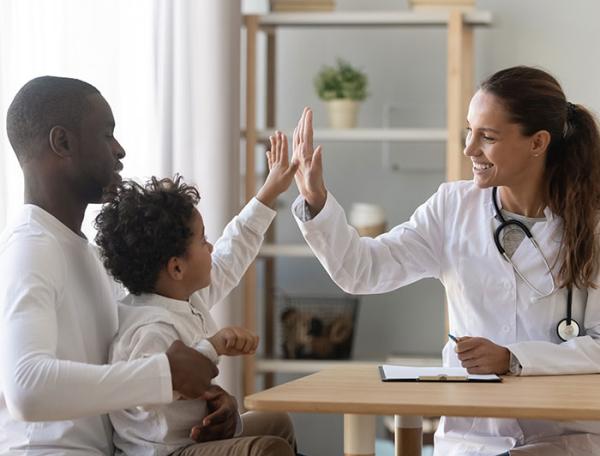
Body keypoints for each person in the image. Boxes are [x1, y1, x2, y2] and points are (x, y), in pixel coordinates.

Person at [289, 66, 600, 455]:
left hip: (562, 438)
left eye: (487, 136)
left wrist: (513, 359)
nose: (469, 149)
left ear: (537, 142)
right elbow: (362, 271)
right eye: (469, 132)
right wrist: (317, 204)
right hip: (473, 437)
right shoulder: (452, 208)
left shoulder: (592, 223)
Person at [1, 76, 220, 454]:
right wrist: (163, 375)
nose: (120, 150)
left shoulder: (85, 252)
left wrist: (210, 401)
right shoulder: (31, 247)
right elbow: (25, 389)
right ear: (63, 142)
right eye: (107, 135)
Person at [95, 132, 298, 455]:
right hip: (166, 452)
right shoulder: (147, 326)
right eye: (203, 240)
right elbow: (143, 390)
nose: (211, 246)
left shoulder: (184, 298)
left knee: (277, 422)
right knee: (266, 448)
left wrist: (270, 190)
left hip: (193, 440)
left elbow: (234, 251)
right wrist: (212, 347)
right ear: (177, 268)